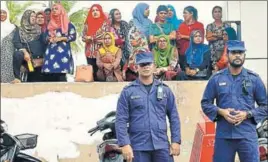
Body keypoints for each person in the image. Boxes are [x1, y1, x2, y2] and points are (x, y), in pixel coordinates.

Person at [201, 40, 267, 162]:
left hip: (247, 135)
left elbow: (265, 106)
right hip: (224, 136)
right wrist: (221, 112)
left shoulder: (254, 79)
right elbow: (205, 103)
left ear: (244, 56)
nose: (237, 55)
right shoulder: (216, 79)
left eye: (240, 53)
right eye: (234, 52)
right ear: (227, 55)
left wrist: (247, 114)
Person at [115, 52, 181, 162]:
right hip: (138, 146)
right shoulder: (128, 92)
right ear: (136, 68)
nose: (145, 67)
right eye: (142, 64)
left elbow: (174, 117)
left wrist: (176, 141)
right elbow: (121, 119)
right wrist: (124, 144)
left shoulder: (165, 90)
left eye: (148, 64)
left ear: (154, 66)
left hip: (161, 145)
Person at [42, 3, 76, 82]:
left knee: (61, 74)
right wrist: (49, 39)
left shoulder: (68, 24)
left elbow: (73, 36)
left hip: (63, 52)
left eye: (56, 9)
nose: (54, 10)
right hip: (51, 52)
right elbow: (45, 37)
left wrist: (61, 38)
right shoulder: (50, 25)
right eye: (53, 9)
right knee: (50, 74)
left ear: (61, 11)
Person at [13, 10, 45, 82]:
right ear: (26, 17)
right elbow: (16, 42)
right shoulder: (20, 30)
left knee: (35, 81)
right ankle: (17, 78)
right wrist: (25, 52)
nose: (34, 18)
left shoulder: (39, 29)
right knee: (17, 54)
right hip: (27, 58)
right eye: (31, 16)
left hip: (39, 59)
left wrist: (43, 57)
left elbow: (44, 44)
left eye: (34, 16)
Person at [123, 2, 152, 81]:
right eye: (146, 9)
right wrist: (131, 53)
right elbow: (128, 39)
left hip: (147, 51)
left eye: (148, 9)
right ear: (141, 10)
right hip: (134, 52)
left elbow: (151, 38)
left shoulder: (149, 22)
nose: (148, 11)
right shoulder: (132, 22)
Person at [82, 4, 111, 81]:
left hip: (102, 53)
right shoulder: (87, 23)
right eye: (93, 10)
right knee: (92, 74)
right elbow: (83, 37)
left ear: (100, 11)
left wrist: (91, 38)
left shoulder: (105, 23)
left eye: (97, 10)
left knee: (102, 74)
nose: (95, 12)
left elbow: (104, 35)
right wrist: (87, 38)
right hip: (89, 53)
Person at [177, 6, 204, 70]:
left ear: (191, 13)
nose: (184, 15)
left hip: (196, 54)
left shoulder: (199, 25)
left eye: (185, 13)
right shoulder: (181, 25)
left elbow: (200, 39)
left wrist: (183, 36)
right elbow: (178, 38)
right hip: (183, 54)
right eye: (183, 13)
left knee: (195, 74)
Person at [206, 6, 230, 70]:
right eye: (215, 12)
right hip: (213, 53)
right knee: (215, 72)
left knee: (226, 71)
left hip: (225, 52)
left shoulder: (227, 25)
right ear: (212, 14)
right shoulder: (210, 26)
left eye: (219, 11)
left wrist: (214, 35)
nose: (217, 13)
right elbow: (208, 38)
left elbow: (228, 38)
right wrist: (221, 36)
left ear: (222, 14)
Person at [1, 5, 17, 83]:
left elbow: (16, 41)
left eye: (4, 12)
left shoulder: (13, 27)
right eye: (0, 12)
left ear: (7, 14)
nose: (2, 14)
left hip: (8, 52)